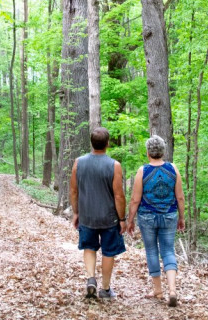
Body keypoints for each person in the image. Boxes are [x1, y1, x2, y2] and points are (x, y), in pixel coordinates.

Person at [126, 135, 186, 307]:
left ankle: (158, 290)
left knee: (152, 251)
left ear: (148, 153)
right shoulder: (173, 169)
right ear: (163, 151)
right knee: (168, 251)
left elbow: (135, 199)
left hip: (147, 216)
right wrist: (181, 217)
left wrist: (130, 220)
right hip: (169, 215)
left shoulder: (142, 171)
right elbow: (180, 197)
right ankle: (173, 290)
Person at [70, 126, 127, 299]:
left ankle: (90, 278)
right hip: (109, 218)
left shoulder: (78, 162)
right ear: (108, 144)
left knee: (89, 247)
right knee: (109, 251)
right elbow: (119, 195)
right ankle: (106, 288)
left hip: (87, 215)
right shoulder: (114, 165)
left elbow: (73, 190)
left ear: (91, 143)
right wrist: (122, 218)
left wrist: (76, 212)